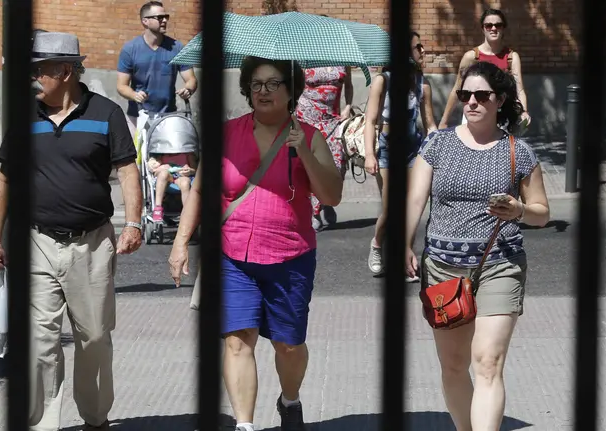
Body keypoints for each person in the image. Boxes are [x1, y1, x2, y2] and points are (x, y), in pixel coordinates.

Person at [168, 56, 343, 431]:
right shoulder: (226, 134)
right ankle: (244, 425)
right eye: (256, 84)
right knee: (237, 341)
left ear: (290, 90)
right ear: (247, 89)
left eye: (273, 84)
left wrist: (305, 153)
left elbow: (331, 196)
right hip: (233, 255)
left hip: (290, 256)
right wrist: (181, 242)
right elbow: (199, 190)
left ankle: (289, 400)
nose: (263, 92)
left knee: (289, 345)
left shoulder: (310, 136)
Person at [0, 31, 143, 431]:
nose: (34, 77)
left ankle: (94, 418)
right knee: (40, 342)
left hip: (91, 244)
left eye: (39, 70)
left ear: (66, 71)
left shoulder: (106, 114)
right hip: (36, 241)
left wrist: (134, 223)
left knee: (93, 339)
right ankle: (43, 423)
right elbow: (5, 179)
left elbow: (127, 171)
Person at [406, 61, 550, 431]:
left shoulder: (519, 152)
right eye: (464, 94)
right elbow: (415, 199)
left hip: (499, 263)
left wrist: (518, 209)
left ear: (500, 99)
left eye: (481, 95)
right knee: (454, 366)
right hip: (442, 267)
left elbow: (541, 213)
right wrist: (403, 243)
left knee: (487, 362)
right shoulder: (437, 144)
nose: (471, 102)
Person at [363, 32, 433, 279]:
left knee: (412, 207)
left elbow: (429, 124)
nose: (422, 51)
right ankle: (377, 244)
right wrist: (369, 154)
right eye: (417, 47)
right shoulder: (383, 81)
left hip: (415, 150)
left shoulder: (422, 83)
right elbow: (370, 121)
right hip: (387, 151)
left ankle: (406, 258)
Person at [439, 8, 531, 131]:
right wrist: (444, 121)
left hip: (502, 117)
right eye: (489, 25)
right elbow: (457, 88)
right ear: (483, 28)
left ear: (503, 28)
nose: (493, 28)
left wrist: (523, 111)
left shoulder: (512, 57)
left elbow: (519, 89)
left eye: (498, 25)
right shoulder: (471, 56)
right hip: (474, 114)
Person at [116, 1, 197, 139]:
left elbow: (191, 79)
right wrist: (134, 95)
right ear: (145, 21)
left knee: (166, 160)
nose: (164, 20)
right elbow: (121, 86)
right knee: (136, 159)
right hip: (137, 117)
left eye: (166, 16)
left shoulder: (176, 48)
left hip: (168, 117)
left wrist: (188, 89)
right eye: (159, 17)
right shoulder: (130, 49)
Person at [295, 65, 354, 231]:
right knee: (311, 166)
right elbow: (295, 86)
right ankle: (314, 211)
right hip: (307, 119)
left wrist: (348, 105)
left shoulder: (343, 57)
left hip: (333, 120)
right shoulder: (305, 58)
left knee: (337, 165)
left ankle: (327, 200)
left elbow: (348, 84)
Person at [147, 150, 197, 222]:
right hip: (167, 179)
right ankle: (158, 208)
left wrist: (190, 171)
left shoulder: (188, 153)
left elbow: (194, 169)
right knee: (163, 174)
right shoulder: (161, 153)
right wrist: (162, 168)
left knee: (185, 183)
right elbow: (155, 171)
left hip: (182, 176)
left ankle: (187, 212)